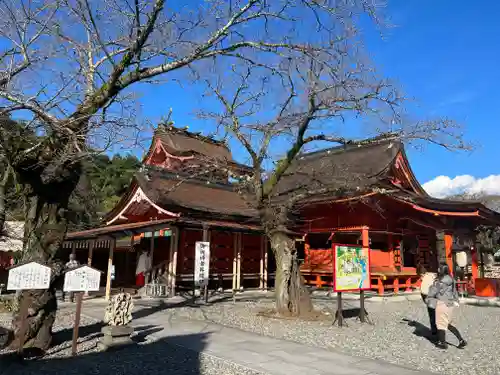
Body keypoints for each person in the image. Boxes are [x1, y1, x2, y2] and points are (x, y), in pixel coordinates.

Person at [427, 263, 467, 349]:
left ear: (441, 270)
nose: (437, 269)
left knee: (441, 323)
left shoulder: (440, 282)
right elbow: (455, 292)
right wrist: (456, 300)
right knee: (448, 323)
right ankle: (461, 340)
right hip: (450, 303)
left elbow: (433, 291)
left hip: (442, 303)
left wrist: (430, 287)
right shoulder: (451, 279)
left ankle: (442, 343)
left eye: (439, 268)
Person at [419, 266, 438, 337]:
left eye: (421, 275)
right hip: (435, 298)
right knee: (436, 315)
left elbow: (423, 292)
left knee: (432, 315)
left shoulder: (425, 280)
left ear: (422, 274)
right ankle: (439, 330)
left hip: (430, 299)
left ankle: (434, 330)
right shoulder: (433, 277)